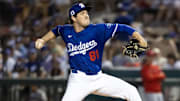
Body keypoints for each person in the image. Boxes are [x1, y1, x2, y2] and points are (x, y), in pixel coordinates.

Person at [35, 2, 147, 101]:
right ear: (74, 18)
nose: (86, 15)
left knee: (131, 91)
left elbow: (121, 27)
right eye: (82, 13)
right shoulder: (66, 30)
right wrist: (43, 39)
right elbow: (56, 31)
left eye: (86, 13)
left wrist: (140, 38)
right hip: (78, 80)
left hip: (98, 78)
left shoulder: (98, 29)